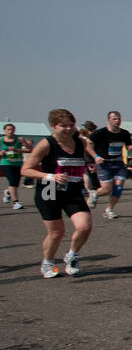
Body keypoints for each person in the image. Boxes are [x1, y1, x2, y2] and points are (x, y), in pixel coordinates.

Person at [21, 109, 94, 278]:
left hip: (73, 189)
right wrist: (50, 176)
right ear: (53, 126)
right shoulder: (47, 144)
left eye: (71, 125)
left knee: (84, 226)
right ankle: (48, 262)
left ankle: (72, 255)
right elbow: (26, 170)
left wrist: (89, 165)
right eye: (63, 126)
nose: (68, 129)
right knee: (56, 232)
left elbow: (82, 159)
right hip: (49, 188)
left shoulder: (80, 142)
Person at [90, 111, 132, 219]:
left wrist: (130, 148)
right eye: (114, 119)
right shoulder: (99, 133)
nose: (117, 121)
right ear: (108, 120)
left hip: (118, 163)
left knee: (118, 188)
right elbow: (88, 146)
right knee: (106, 189)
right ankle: (95, 194)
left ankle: (108, 210)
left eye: (119, 119)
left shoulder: (124, 133)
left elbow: (128, 144)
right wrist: (95, 157)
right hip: (104, 163)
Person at [2, 124, 31, 210]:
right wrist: (1, 153)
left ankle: (8, 192)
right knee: (12, 180)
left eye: (12, 129)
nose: (10, 131)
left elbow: (29, 149)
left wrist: (18, 149)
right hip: (6, 163)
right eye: (8, 129)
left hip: (17, 163)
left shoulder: (19, 139)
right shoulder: (1, 140)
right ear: (5, 130)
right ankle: (16, 202)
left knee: (16, 183)